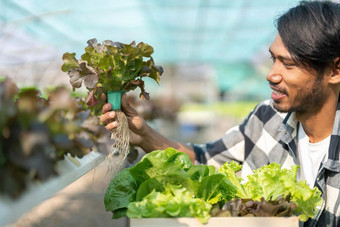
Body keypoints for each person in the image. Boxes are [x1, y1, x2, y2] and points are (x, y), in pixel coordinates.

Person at [100, 1, 340, 226]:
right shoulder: (266, 118)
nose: (271, 74)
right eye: (273, 59)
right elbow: (205, 160)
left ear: (335, 70)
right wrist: (145, 135)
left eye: (288, 64)